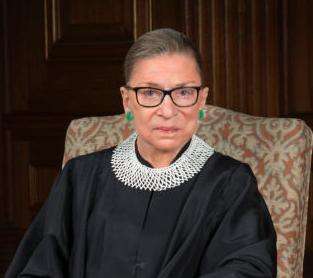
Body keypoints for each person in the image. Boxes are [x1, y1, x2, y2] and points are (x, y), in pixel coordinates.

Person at [4, 28, 276, 278]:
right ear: (127, 100)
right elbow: (37, 269)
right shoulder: (80, 177)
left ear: (202, 99)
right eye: (149, 92)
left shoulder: (231, 183)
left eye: (183, 92)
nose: (168, 111)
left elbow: (247, 270)